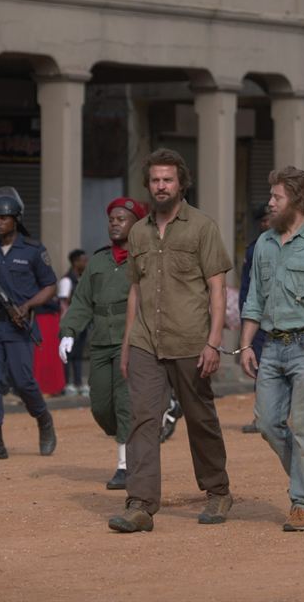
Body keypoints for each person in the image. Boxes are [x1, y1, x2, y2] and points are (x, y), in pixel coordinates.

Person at [108, 148, 233, 533]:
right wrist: (128, 345)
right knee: (143, 419)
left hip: (191, 342)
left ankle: (217, 491)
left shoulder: (202, 227)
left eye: (168, 180)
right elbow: (135, 292)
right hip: (147, 340)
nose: (161, 186)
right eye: (156, 180)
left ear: (181, 183)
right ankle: (140, 503)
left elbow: (217, 289)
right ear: (148, 185)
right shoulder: (139, 232)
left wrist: (213, 342)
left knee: (200, 417)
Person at [238, 167, 304, 532]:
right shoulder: (264, 245)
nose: (269, 203)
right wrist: (245, 345)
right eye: (271, 197)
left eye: (276, 198)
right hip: (272, 345)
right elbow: (254, 298)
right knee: (267, 423)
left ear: (297, 201)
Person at [59, 197, 148, 490]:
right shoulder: (97, 261)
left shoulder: (145, 258)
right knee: (100, 406)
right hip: (100, 342)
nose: (114, 223)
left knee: (124, 403)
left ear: (136, 224)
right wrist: (69, 330)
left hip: (131, 341)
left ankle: (124, 465)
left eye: (122, 219)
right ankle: (132, 434)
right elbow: (82, 300)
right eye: (111, 219)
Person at [0, 193, 58, 461]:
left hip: (19, 327)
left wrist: (28, 305)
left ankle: (43, 419)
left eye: (4, 218)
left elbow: (50, 286)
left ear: (16, 219)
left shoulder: (33, 250)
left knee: (23, 382)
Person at [240, 202, 272, 434]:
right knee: (260, 368)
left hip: (286, 319)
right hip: (259, 320)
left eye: (269, 218)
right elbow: (246, 287)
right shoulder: (253, 250)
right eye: (262, 220)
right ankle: (261, 417)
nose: (266, 223)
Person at [59, 248, 90, 396]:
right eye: (83, 260)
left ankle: (78, 383)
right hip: (69, 322)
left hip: (82, 323)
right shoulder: (67, 280)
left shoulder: (82, 278)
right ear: (75, 262)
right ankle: (67, 383)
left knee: (78, 354)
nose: (86, 263)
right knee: (68, 355)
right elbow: (64, 302)